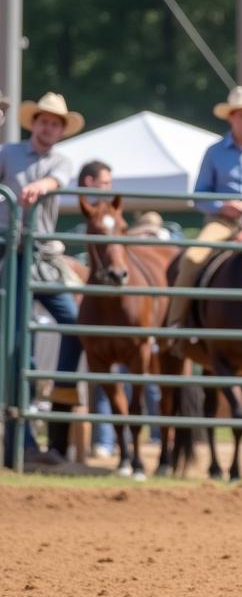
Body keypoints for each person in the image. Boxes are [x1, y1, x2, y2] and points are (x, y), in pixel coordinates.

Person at [0, 92, 86, 466]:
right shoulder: (8, 154)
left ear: (61, 130)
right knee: (18, 341)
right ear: (33, 124)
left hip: (44, 255)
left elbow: (56, 179)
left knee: (75, 323)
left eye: (55, 123)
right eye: (43, 121)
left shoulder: (61, 161)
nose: (48, 127)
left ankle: (60, 395)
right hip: (11, 251)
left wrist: (42, 186)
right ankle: (20, 439)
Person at [165, 85, 242, 347]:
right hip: (222, 221)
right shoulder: (214, 151)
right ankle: (177, 326)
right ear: (231, 117)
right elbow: (199, 195)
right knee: (191, 257)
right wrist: (223, 206)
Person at [77, 159, 117, 458]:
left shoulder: (112, 215)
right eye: (104, 183)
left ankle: (176, 326)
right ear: (89, 184)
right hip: (220, 219)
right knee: (193, 260)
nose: (108, 189)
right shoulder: (87, 216)